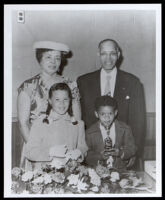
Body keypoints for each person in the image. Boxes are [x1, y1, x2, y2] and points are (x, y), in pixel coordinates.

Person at [77, 39, 146, 169]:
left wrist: (133, 153)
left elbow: (139, 121)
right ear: (98, 54)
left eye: (112, 53)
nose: (108, 58)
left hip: (121, 157)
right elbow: (79, 119)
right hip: (92, 155)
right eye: (104, 54)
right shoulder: (83, 82)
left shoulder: (133, 82)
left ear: (118, 54)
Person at [17, 41, 81, 168]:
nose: (53, 62)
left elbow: (77, 121)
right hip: (36, 146)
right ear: (39, 59)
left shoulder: (71, 85)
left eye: (57, 58)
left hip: (65, 145)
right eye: (48, 57)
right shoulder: (28, 86)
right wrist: (38, 152)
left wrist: (73, 151)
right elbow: (23, 123)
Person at [24, 83, 88, 170]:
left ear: (70, 100)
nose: (62, 103)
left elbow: (83, 147)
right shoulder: (40, 123)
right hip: (45, 173)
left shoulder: (78, 124)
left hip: (70, 173)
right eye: (57, 99)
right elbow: (29, 152)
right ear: (50, 101)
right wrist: (50, 152)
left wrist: (79, 152)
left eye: (65, 99)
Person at [85, 96, 137, 170]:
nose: (107, 118)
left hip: (120, 171)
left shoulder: (125, 129)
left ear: (115, 113)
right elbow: (87, 155)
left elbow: (132, 149)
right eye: (103, 114)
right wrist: (100, 156)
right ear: (96, 114)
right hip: (98, 172)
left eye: (110, 113)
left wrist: (120, 153)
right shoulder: (90, 132)